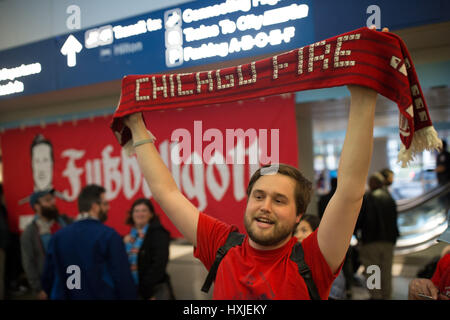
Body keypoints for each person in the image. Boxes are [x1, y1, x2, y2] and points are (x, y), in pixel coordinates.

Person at [123, 68, 380, 300]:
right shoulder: (222, 245)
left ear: (298, 215)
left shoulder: (314, 259)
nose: (265, 206)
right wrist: (136, 126)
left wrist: (363, 98)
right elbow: (166, 192)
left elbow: (349, 192)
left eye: (279, 200)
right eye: (258, 196)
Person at [41, 184, 137, 299]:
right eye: (105, 204)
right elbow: (122, 278)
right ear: (95, 207)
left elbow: (48, 278)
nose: (108, 208)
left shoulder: (57, 237)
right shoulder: (108, 236)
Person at [20, 189, 72, 300]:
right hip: (50, 284)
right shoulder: (30, 233)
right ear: (37, 206)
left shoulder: (65, 221)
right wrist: (38, 289)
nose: (52, 202)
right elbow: (28, 262)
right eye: (47, 200)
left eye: (52, 199)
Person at [355, 172, 399, 299]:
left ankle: (375, 296)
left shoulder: (367, 198)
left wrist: (356, 236)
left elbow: (360, 220)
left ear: (372, 183)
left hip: (370, 241)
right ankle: (386, 296)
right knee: (386, 271)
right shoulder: (390, 198)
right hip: (388, 241)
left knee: (372, 270)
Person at [124, 198, 174, 300]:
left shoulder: (159, 234)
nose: (140, 214)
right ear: (132, 214)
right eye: (136, 211)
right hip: (132, 289)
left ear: (151, 214)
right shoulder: (129, 237)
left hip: (152, 291)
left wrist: (145, 290)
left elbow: (159, 265)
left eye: (144, 210)